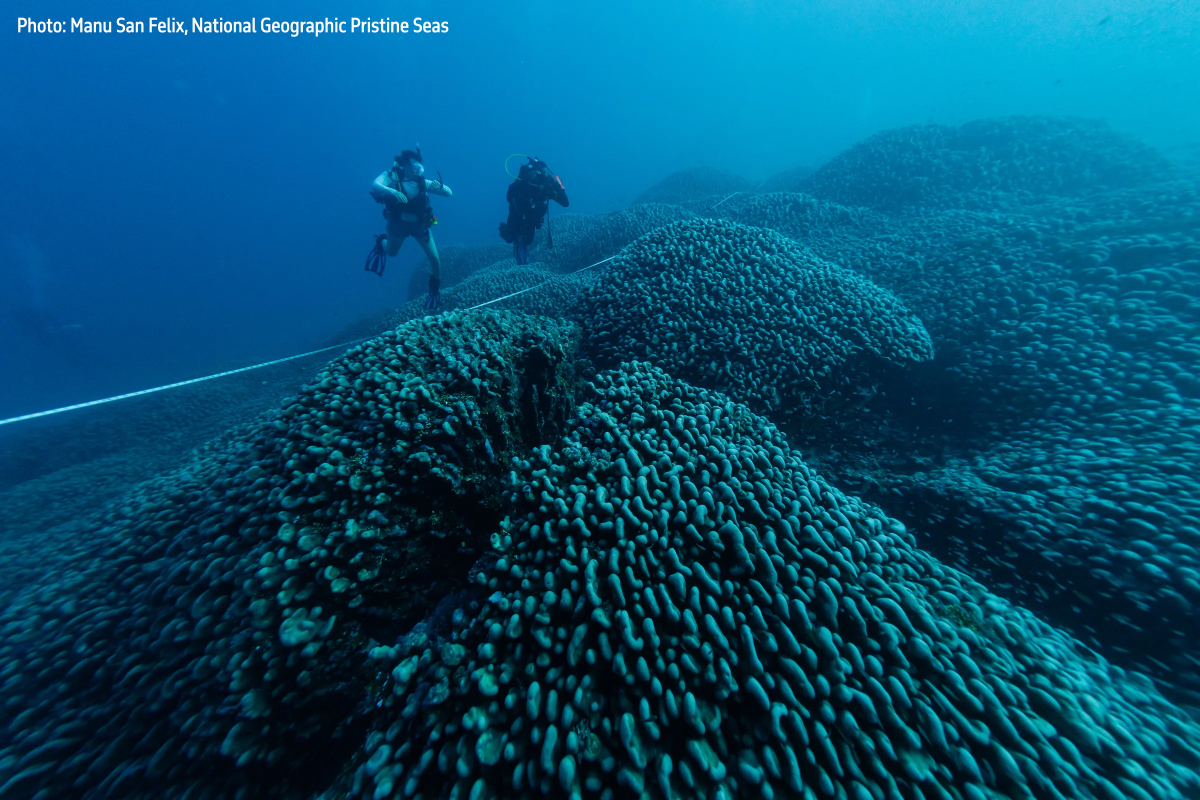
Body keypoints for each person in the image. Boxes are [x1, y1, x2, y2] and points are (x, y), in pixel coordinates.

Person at [366, 147, 452, 310]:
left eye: (420, 166)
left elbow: (449, 193)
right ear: (405, 164)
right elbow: (375, 185)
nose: (419, 170)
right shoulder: (391, 177)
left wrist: (438, 186)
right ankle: (381, 242)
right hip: (398, 223)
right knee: (391, 252)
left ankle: (434, 292)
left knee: (434, 259)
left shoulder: (422, 183)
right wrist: (391, 191)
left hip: (420, 225)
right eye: (415, 166)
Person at [498, 157, 568, 265]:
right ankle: (504, 228)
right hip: (518, 216)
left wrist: (559, 187)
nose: (543, 177)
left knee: (528, 240)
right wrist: (526, 184)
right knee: (511, 237)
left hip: (533, 219)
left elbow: (565, 203)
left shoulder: (547, 186)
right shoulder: (524, 183)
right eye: (540, 174)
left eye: (545, 174)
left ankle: (522, 264)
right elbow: (510, 197)